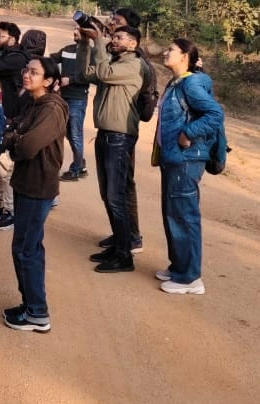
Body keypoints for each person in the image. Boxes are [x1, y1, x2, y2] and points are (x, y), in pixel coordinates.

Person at [1, 56, 68, 333]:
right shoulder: (33, 103)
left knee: (26, 250)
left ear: (49, 80)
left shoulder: (51, 109)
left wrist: (15, 140)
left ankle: (37, 312)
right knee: (27, 246)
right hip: (26, 182)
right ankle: (30, 304)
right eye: (26, 70)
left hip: (37, 186)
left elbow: (27, 146)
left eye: (34, 72)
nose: (26, 75)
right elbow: (11, 130)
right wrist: (15, 137)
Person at [156, 38, 224, 295]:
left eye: (171, 50)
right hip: (174, 158)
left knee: (184, 216)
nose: (166, 52)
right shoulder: (177, 82)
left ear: (185, 56)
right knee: (173, 214)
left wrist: (189, 133)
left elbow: (215, 114)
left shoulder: (191, 83)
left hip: (186, 160)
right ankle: (179, 267)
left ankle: (189, 278)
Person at [77, 22, 143, 273]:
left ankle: (124, 256)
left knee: (116, 197)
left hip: (120, 137)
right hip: (107, 134)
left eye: (120, 37)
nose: (114, 40)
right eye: (113, 37)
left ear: (133, 44)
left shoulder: (133, 65)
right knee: (108, 194)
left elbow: (103, 73)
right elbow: (85, 74)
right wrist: (84, 44)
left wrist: (98, 42)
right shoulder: (114, 64)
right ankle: (118, 245)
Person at [0, 20, 27, 231]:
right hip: (2, 117)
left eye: (0, 36)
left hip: (11, 118)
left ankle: (10, 211)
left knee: (6, 168)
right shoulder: (3, 54)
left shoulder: (17, 58)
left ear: (12, 39)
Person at [56, 34, 89, 181]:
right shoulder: (67, 49)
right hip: (64, 97)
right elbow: (51, 59)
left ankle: (76, 170)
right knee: (69, 133)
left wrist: (70, 80)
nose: (75, 32)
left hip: (78, 98)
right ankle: (80, 163)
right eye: (75, 29)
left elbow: (91, 75)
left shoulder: (90, 53)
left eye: (79, 30)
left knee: (75, 134)